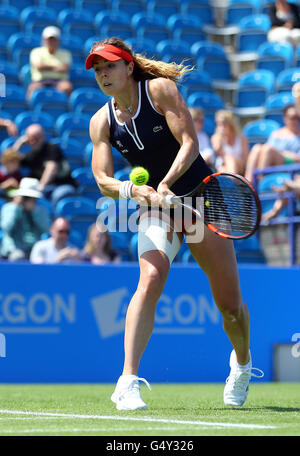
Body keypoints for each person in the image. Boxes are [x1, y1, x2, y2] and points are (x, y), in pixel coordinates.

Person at [85, 37, 263, 411]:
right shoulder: (101, 121)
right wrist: (135, 193)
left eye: (110, 66)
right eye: (98, 69)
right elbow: (102, 178)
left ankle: (242, 363)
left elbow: (189, 143)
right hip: (156, 208)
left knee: (230, 307)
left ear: (128, 67)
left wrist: (165, 183)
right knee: (149, 280)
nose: (103, 74)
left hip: (202, 198)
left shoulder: (160, 91)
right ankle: (127, 381)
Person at [12, 123, 78, 206]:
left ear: (42, 137)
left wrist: (41, 186)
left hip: (61, 185)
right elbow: (11, 161)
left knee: (57, 195)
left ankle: (56, 218)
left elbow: (51, 169)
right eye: (30, 138)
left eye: (36, 138)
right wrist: (19, 143)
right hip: (43, 189)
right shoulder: (31, 154)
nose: (32, 141)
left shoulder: (52, 148)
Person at [245, 104, 300, 183]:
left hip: (290, 165)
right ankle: (248, 181)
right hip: (272, 163)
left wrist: (283, 153)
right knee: (256, 148)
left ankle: (260, 181)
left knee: (268, 149)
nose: (295, 121)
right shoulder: (276, 134)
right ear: (285, 118)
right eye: (292, 118)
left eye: (297, 118)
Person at [0, 177, 51, 261]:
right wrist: (16, 208)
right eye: (25, 197)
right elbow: (6, 227)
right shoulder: (9, 208)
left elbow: (47, 229)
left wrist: (35, 212)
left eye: (31, 197)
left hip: (35, 248)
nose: (28, 199)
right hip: (15, 248)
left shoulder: (40, 210)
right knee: (17, 257)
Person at [26, 26, 73, 100]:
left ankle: (66, 108)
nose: (51, 42)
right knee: (33, 88)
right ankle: (30, 109)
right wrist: (57, 67)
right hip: (40, 81)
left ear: (58, 41)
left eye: (54, 39)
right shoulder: (36, 52)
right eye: (49, 39)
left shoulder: (65, 53)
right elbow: (39, 66)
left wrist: (46, 67)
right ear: (44, 40)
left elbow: (65, 68)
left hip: (59, 81)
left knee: (67, 87)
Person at [211, 110, 249, 175]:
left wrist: (233, 161)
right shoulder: (216, 137)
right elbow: (218, 154)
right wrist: (221, 138)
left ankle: (231, 181)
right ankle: (232, 181)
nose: (221, 126)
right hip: (222, 165)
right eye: (218, 123)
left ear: (231, 123)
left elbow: (245, 159)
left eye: (223, 123)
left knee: (230, 159)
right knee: (224, 168)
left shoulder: (241, 138)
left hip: (239, 165)